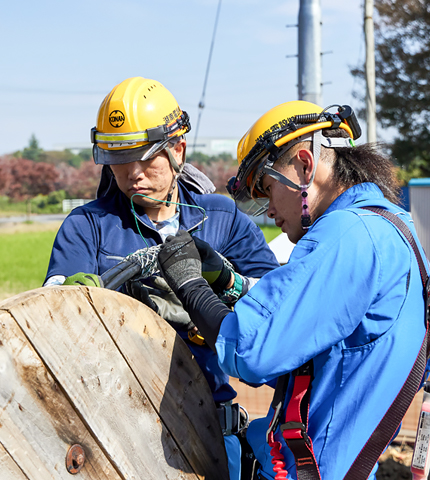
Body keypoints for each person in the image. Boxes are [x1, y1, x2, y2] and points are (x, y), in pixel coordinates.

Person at [155, 100, 430, 479]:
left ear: (304, 164)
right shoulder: (394, 226)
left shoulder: (345, 234)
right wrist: (229, 283)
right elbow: (317, 348)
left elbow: (252, 351)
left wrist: (189, 283)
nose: (269, 209)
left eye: (268, 189)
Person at [43, 76, 280, 480]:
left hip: (211, 430)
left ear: (178, 149)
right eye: (119, 158)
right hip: (115, 433)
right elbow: (54, 324)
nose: (132, 172)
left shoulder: (222, 220)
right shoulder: (88, 226)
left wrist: (218, 289)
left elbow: (277, 308)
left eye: (145, 157)